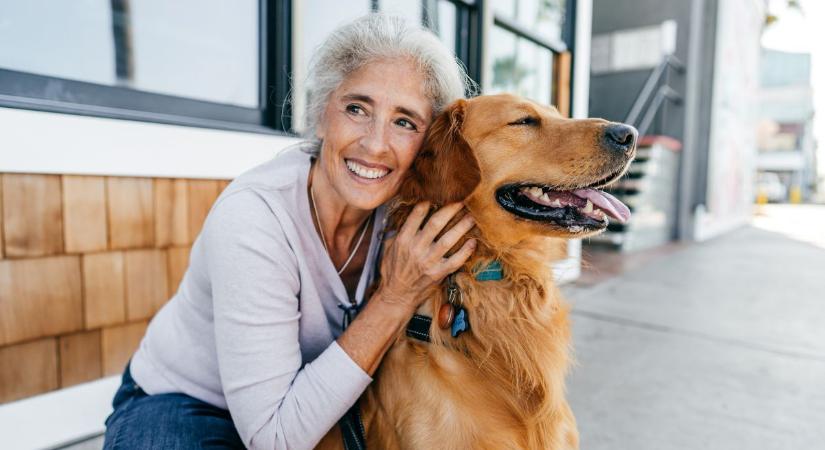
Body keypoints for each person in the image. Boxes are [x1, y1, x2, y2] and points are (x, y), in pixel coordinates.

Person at [102, 13, 477, 450]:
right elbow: (274, 438)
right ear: (320, 115)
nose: (375, 145)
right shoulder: (254, 218)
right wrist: (395, 298)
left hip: (321, 402)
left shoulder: (405, 211)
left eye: (404, 122)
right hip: (188, 402)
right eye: (357, 109)